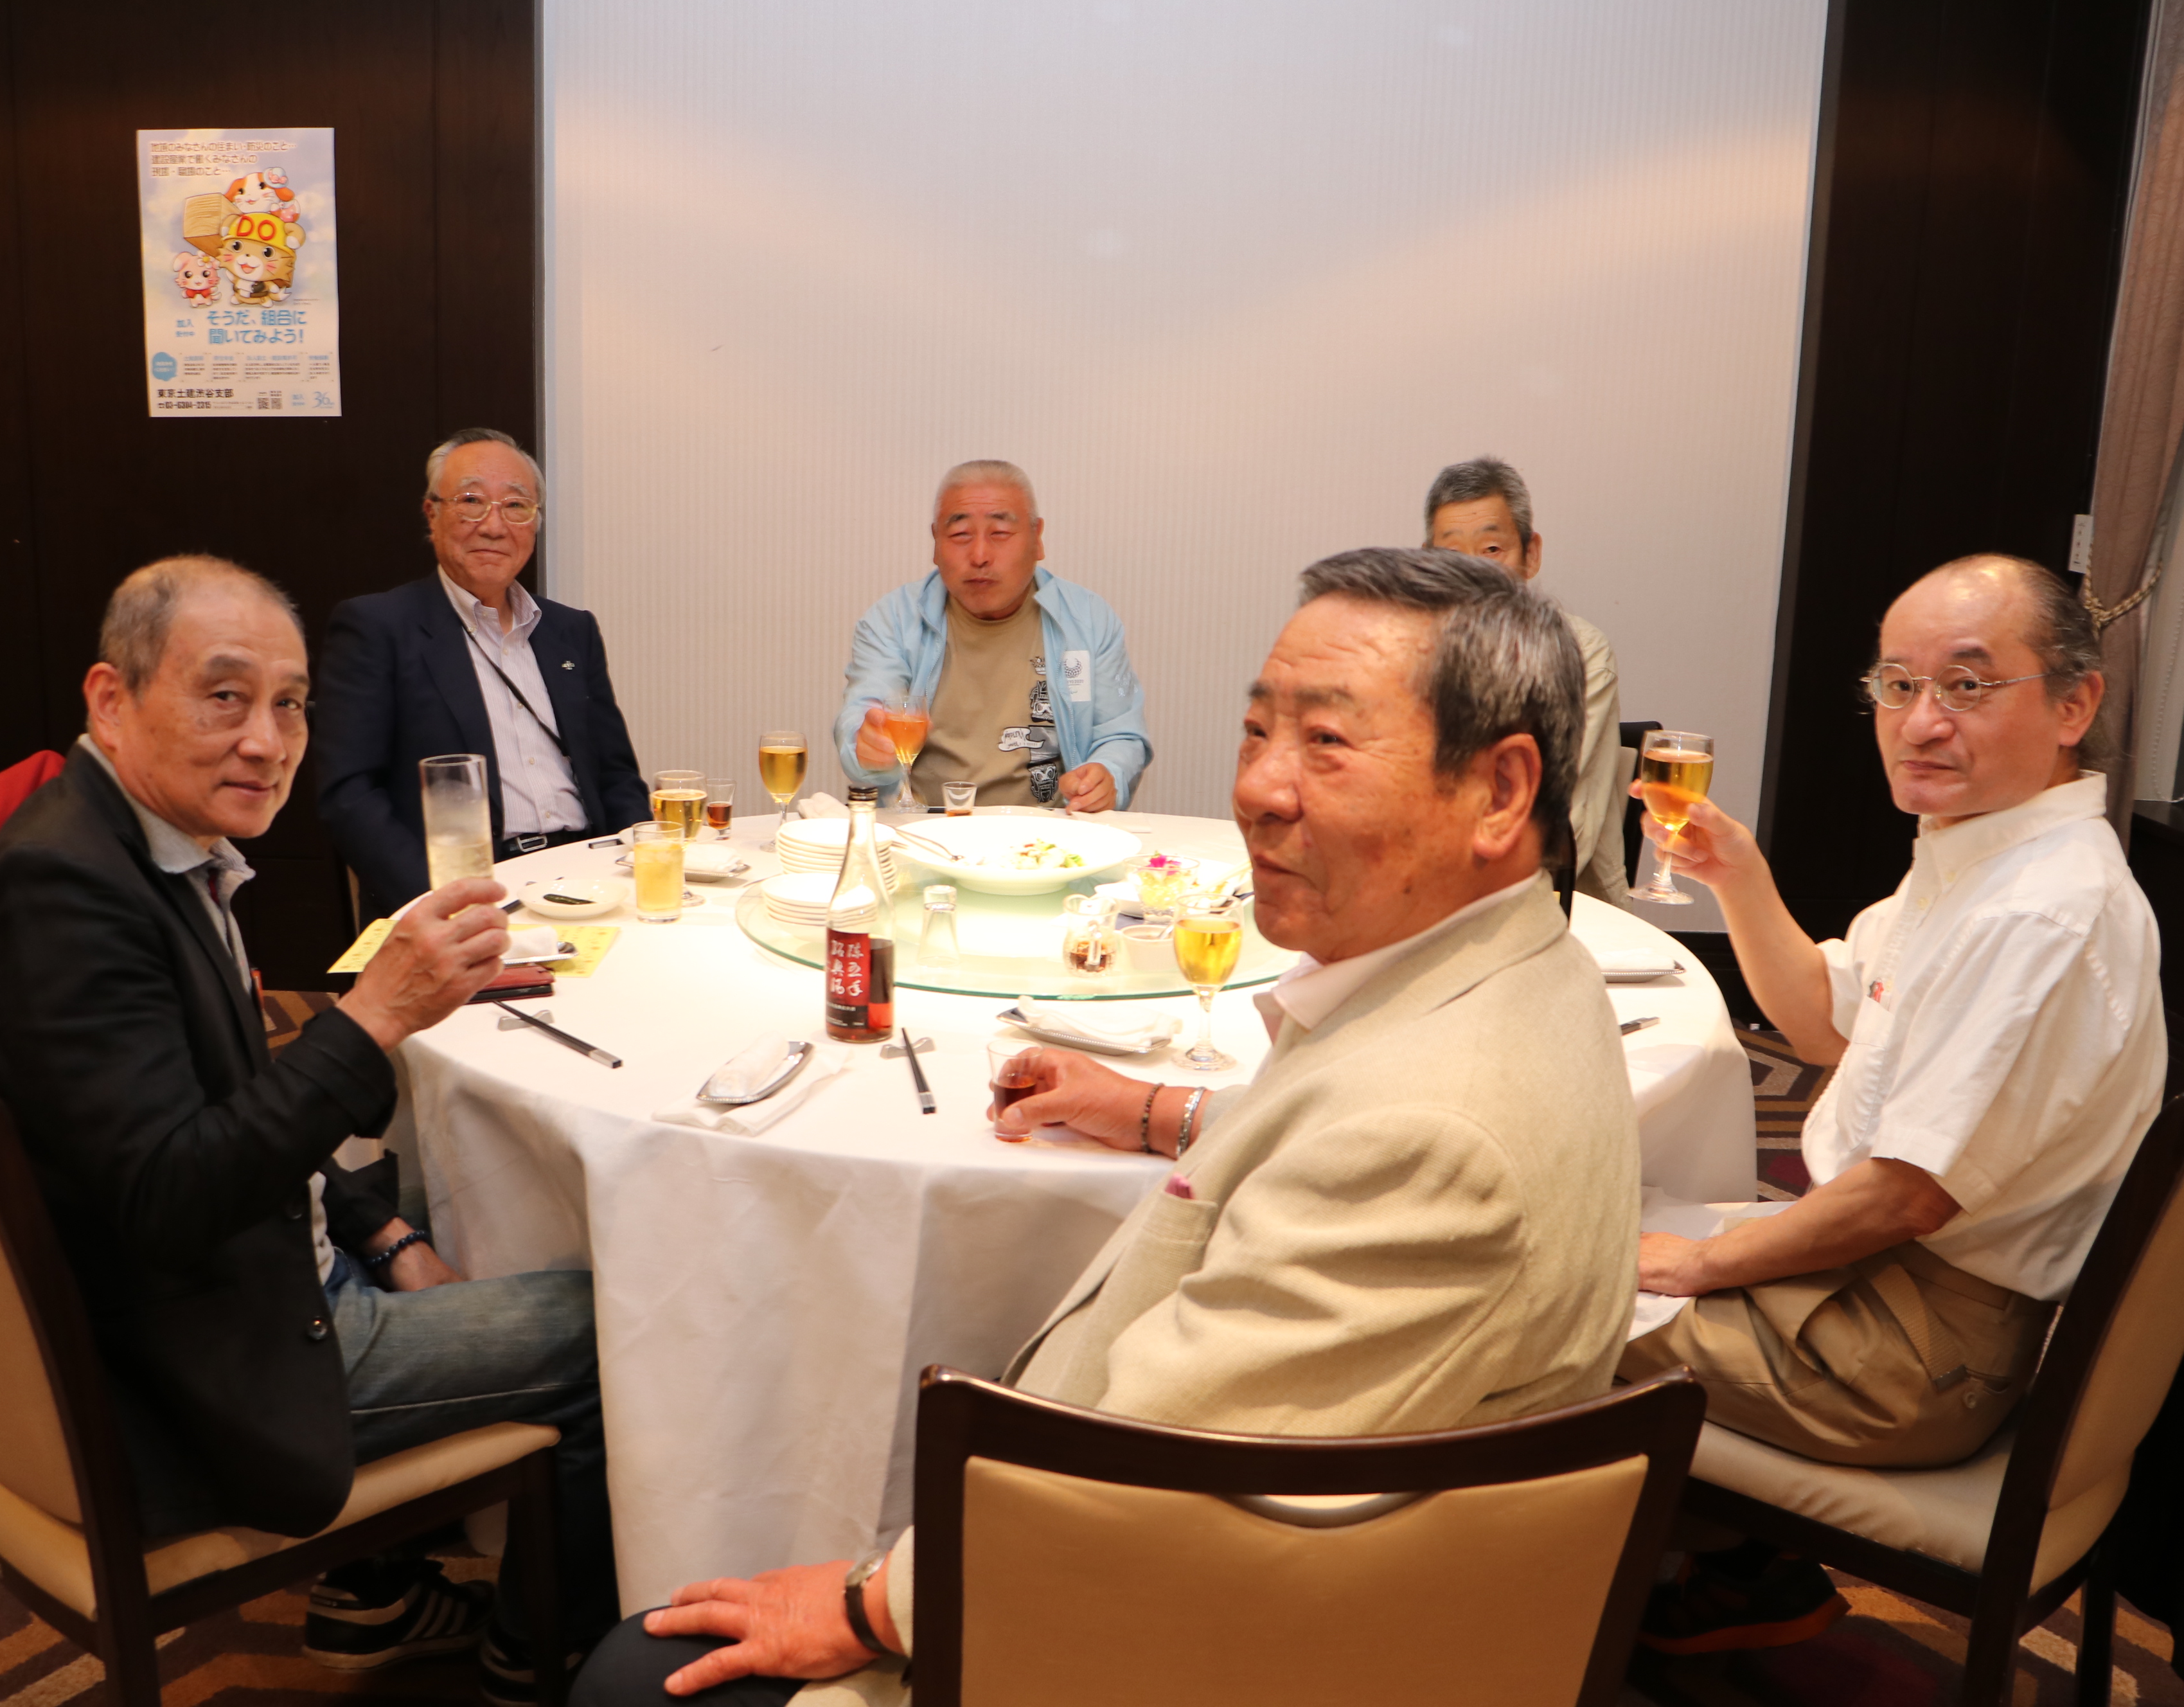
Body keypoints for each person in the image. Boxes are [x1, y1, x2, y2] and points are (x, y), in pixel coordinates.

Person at [573, 547, 1642, 1704]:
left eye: (1326, 742)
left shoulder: (1434, 1137)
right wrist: (1145, 1107)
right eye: (1255, 731)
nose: (1259, 787)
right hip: (1276, 1573)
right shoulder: (1517, 976)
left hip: (1184, 1641)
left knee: (639, 1670)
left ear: (1500, 791)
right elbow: (1336, 1136)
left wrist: (864, 1604)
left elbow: (1126, 1484)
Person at [0, 556, 619, 1702]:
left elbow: (230, 1099)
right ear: (111, 699)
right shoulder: (62, 894)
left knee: (451, 1201)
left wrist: (382, 1233)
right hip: (193, 1365)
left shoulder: (141, 847)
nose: (267, 741)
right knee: (617, 1325)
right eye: (224, 696)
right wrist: (373, 1018)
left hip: (214, 1283)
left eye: (291, 704)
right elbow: (172, 1194)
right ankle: (537, 1651)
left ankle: (377, 1589)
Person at [1617, 553, 2165, 1653]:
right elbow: (1828, 1027)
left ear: (2074, 705)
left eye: (1967, 685)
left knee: (1535, 1288)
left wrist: (1697, 1264)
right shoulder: (1981, 856)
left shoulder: (2038, 911)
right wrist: (1736, 875)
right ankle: (1736, 1566)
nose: (1920, 722)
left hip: (1914, 1352)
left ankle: (1537, 1601)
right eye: (1897, 685)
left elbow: (1903, 1198)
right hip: (1890, 1288)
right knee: (1609, 1228)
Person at [314, 429, 649, 916]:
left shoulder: (571, 630)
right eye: (471, 501)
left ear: (535, 523)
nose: (494, 526)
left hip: (589, 875)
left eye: (516, 506)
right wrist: (438, 902)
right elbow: (350, 796)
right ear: (432, 514)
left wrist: (638, 868)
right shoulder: (378, 627)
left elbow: (616, 774)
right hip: (469, 887)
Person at [835, 460, 1150, 812]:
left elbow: (1121, 735)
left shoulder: (1087, 620)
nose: (980, 556)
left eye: (1000, 533)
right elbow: (863, 713)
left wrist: (1108, 774)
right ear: (936, 543)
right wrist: (868, 746)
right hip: (925, 830)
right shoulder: (892, 621)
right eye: (960, 535)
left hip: (1048, 832)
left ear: (1037, 538)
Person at [1426, 455, 1629, 906]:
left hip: (1557, 907)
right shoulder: (1407, 653)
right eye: (1452, 556)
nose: (1475, 572)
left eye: (1492, 550)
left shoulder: (1580, 654)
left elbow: (1552, 825)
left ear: (1530, 554)